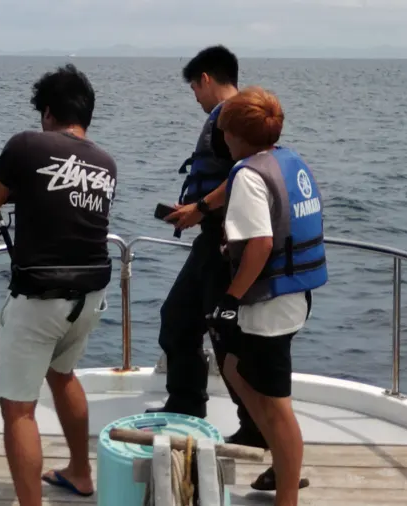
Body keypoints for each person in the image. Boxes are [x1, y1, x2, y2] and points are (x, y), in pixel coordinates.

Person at [0, 63, 117, 506]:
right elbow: (59, 197)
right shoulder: (106, 164)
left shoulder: (26, 145)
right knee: (62, 373)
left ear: (48, 112)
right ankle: (80, 472)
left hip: (41, 302)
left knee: (17, 408)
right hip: (90, 297)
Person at [149, 44, 276, 480]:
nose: (197, 99)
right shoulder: (235, 116)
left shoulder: (232, 119)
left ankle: (256, 427)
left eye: (194, 89)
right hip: (210, 238)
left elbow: (245, 176)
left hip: (225, 245)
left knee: (225, 340)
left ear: (205, 78)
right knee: (178, 321)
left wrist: (199, 209)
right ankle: (185, 404)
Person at [206, 86, 328, 506]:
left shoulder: (248, 177)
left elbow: (258, 243)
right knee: (236, 368)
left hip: (269, 304)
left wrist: (229, 299)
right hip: (295, 293)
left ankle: (287, 494)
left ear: (234, 136)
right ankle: (281, 456)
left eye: (224, 132)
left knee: (277, 408)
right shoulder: (285, 160)